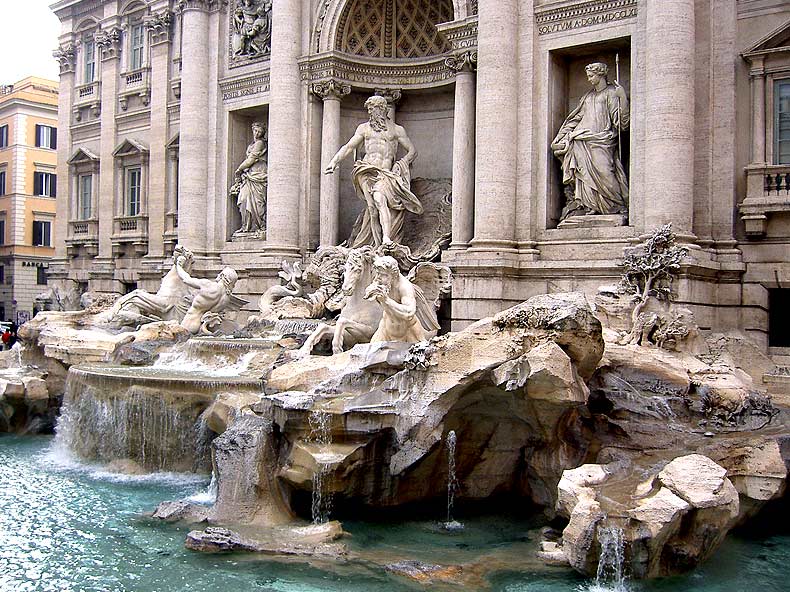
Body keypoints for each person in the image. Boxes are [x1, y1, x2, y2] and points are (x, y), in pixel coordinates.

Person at [324, 95, 422, 247]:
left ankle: (386, 239)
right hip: (366, 171)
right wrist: (334, 161)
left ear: (383, 109)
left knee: (379, 199)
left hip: (384, 173)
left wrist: (401, 163)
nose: (371, 113)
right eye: (369, 110)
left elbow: (412, 151)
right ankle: (374, 244)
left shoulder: (396, 130)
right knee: (372, 209)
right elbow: (349, 146)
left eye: (374, 109)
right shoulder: (363, 129)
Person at [551, 62, 629, 218]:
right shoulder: (587, 96)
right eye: (588, 76)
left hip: (602, 140)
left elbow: (621, 123)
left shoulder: (612, 93)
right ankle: (591, 204)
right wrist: (560, 137)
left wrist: (623, 99)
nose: (589, 79)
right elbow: (575, 119)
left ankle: (617, 203)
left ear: (601, 75)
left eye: (591, 76)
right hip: (581, 140)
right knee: (584, 174)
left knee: (605, 171)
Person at [364, 256, 431, 343]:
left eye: (383, 275)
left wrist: (386, 300)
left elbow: (409, 312)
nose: (377, 278)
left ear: (394, 275)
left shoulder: (405, 287)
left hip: (408, 331)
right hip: (385, 328)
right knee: (369, 353)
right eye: (377, 273)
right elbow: (370, 290)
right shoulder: (381, 280)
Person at [174, 258, 241, 334]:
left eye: (220, 273)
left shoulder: (208, 285)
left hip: (190, 323)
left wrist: (179, 265)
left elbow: (186, 279)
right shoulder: (226, 299)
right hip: (203, 328)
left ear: (223, 276)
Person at [231, 122, 268, 234]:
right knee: (243, 199)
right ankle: (246, 226)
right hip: (249, 175)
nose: (256, 133)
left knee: (257, 202)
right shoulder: (251, 145)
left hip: (258, 173)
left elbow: (251, 159)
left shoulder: (260, 143)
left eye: (259, 131)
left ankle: (258, 225)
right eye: (255, 130)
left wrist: (239, 169)